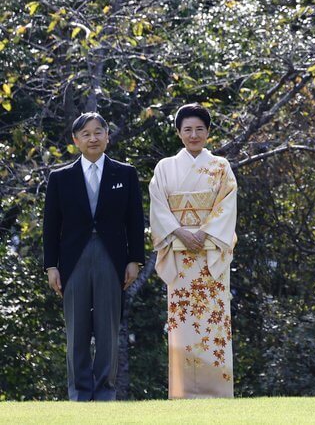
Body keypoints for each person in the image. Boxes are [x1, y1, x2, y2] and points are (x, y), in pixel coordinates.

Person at [42, 112, 145, 401]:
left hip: (112, 258)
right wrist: (51, 266)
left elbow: (135, 220)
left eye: (98, 132)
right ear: (76, 140)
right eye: (86, 134)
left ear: (107, 136)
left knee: (108, 329)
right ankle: (79, 393)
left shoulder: (125, 173)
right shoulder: (60, 178)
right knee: (76, 329)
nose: (93, 138)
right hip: (73, 260)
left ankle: (105, 393)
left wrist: (135, 260)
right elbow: (51, 226)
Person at [149, 103, 238, 398]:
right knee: (183, 325)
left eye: (200, 129)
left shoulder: (221, 167)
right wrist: (180, 232)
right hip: (180, 255)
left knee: (213, 323)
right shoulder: (165, 167)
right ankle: (184, 392)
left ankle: (218, 391)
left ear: (208, 131)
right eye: (187, 129)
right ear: (178, 133)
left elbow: (227, 205)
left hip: (210, 255)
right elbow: (158, 206)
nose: (194, 134)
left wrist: (203, 232)